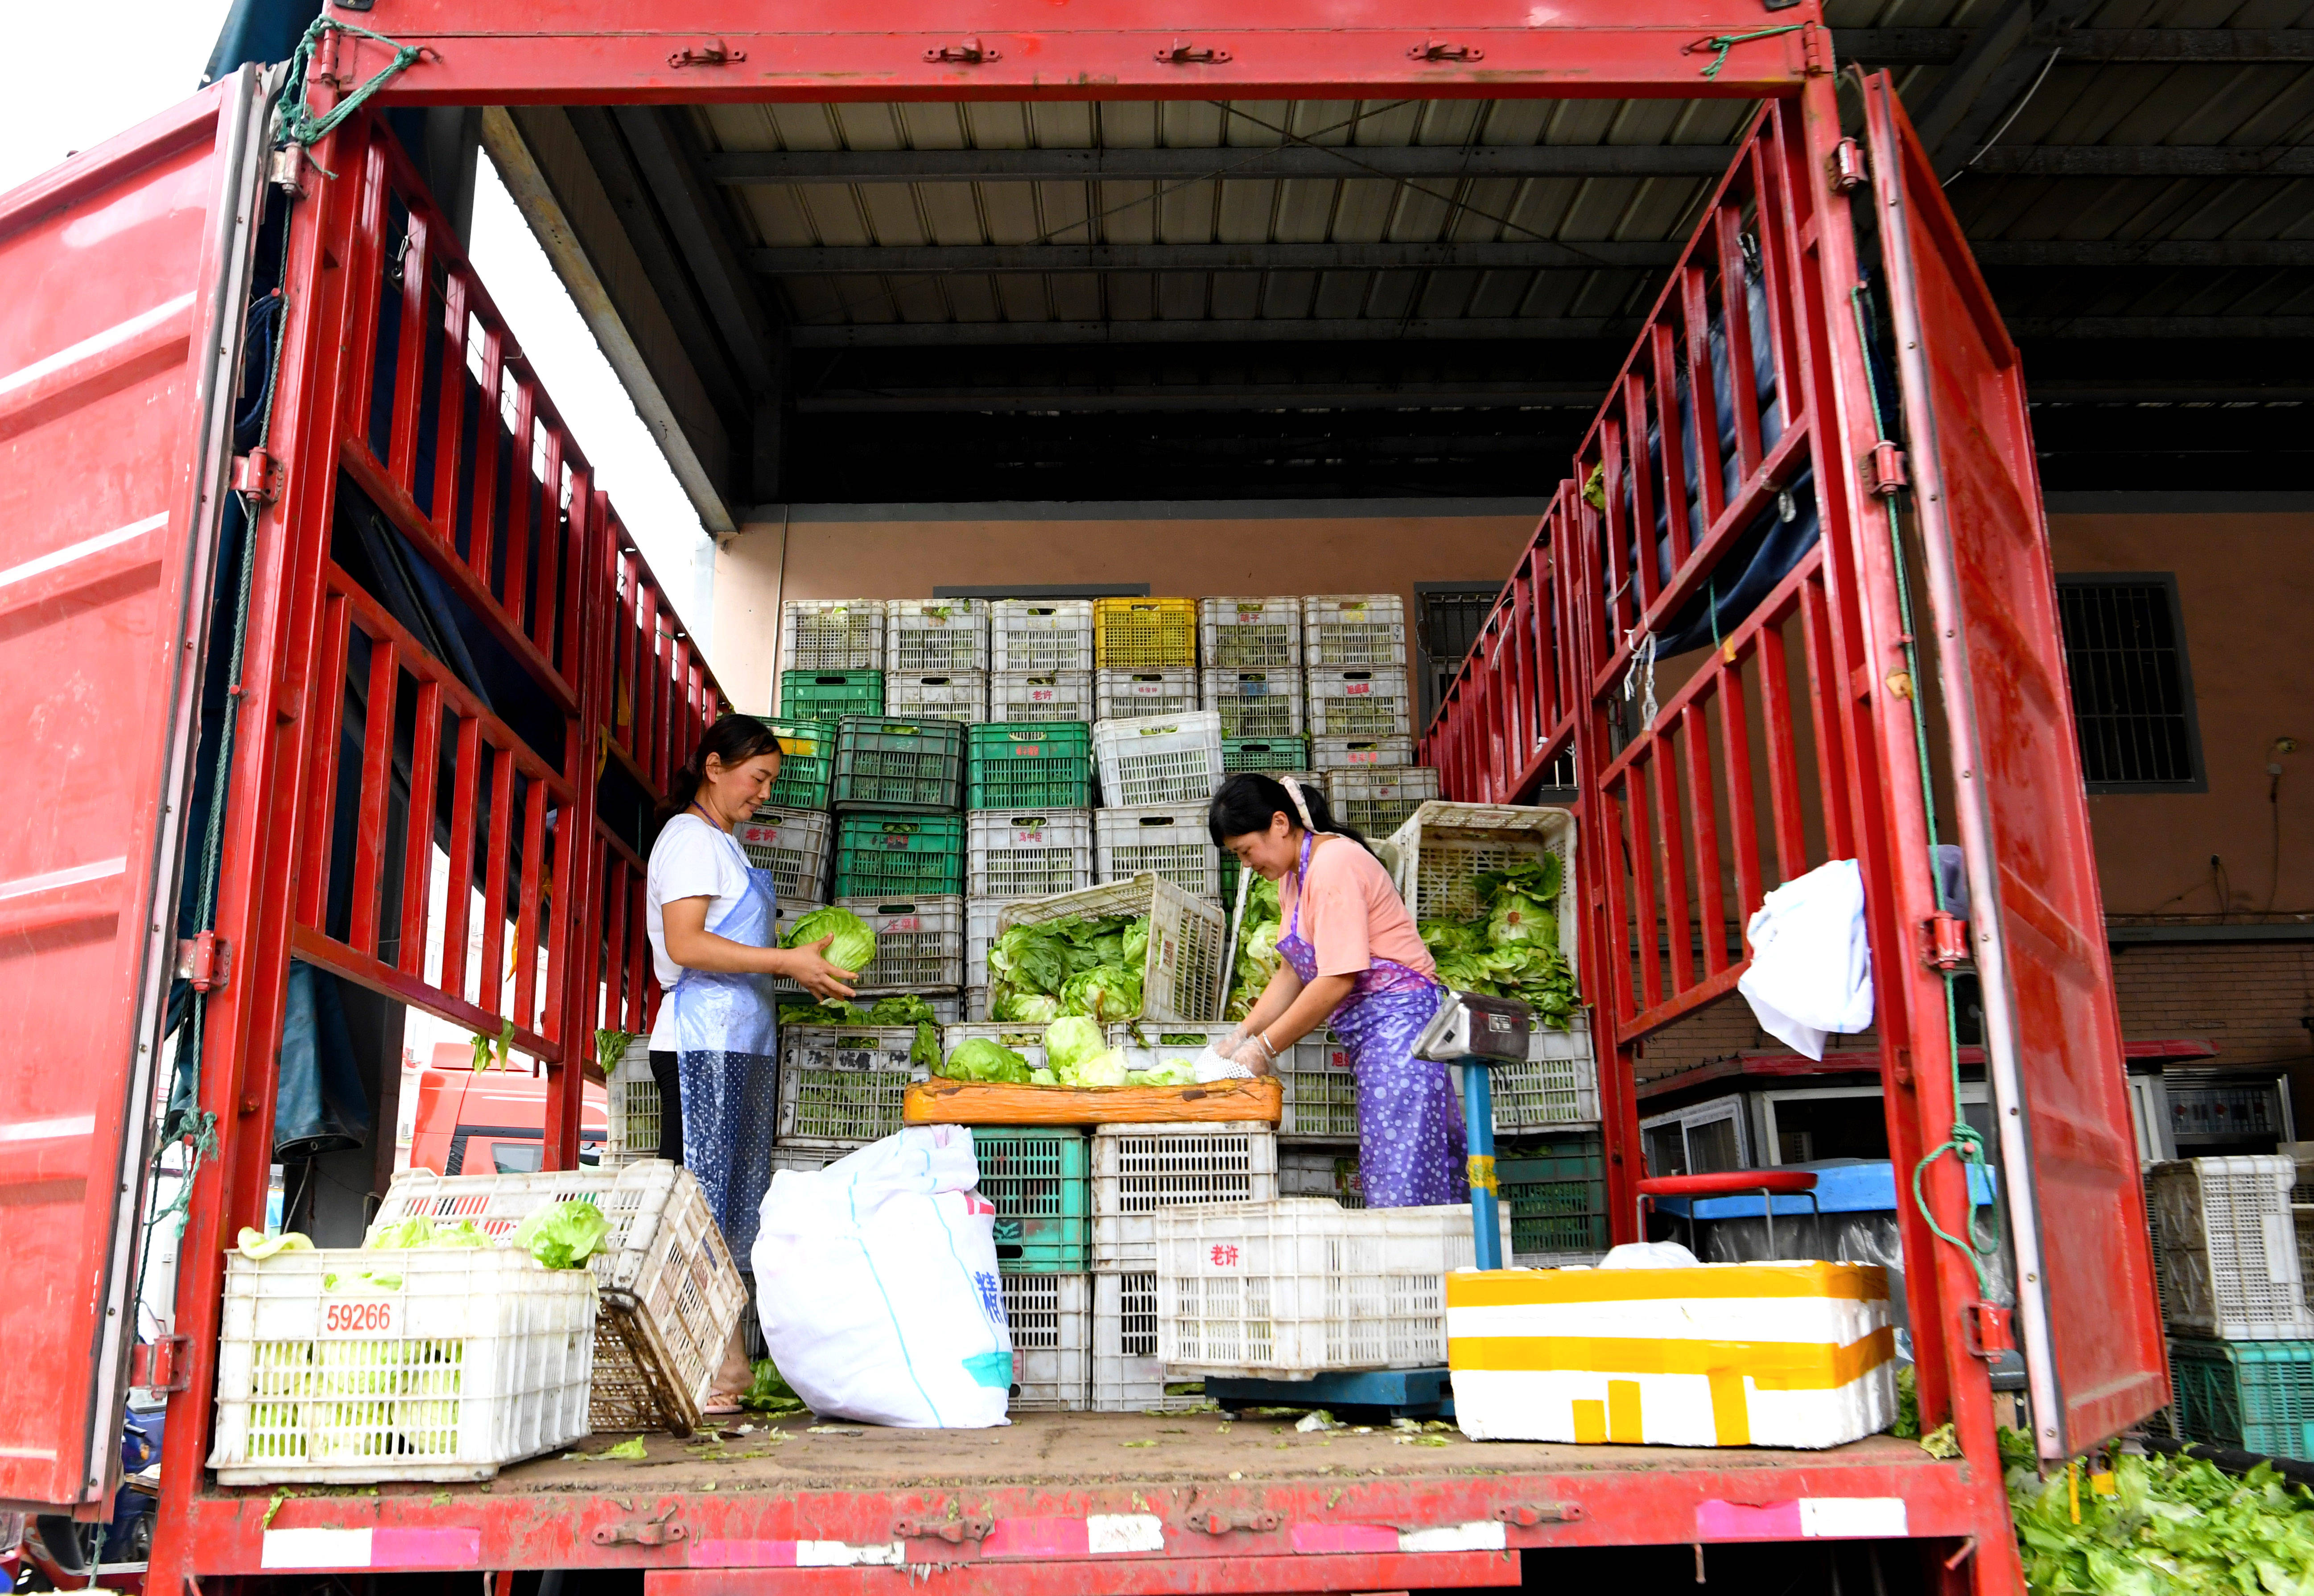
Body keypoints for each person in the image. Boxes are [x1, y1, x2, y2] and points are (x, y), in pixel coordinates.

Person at [646, 713, 856, 1409]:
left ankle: (723, 1368)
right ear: (714, 767)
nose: (764, 792)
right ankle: (709, 1367)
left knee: (730, 1209)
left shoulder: (724, 847)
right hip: (701, 1044)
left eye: (769, 780)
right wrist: (785, 961)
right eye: (756, 777)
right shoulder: (689, 840)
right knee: (703, 1208)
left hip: (738, 1044)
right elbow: (686, 943)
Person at [1208, 772, 1466, 1209]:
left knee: (1399, 1170)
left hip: (1402, 1031)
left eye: (1245, 851)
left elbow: (1335, 978)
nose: (1246, 864)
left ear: (1279, 823)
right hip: (1378, 1038)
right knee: (1411, 1159)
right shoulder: (1295, 877)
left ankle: (1419, 1274)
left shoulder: (1333, 864)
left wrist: (1264, 1047)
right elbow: (1293, 971)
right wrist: (1240, 1035)